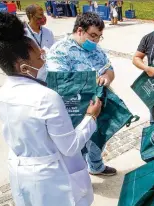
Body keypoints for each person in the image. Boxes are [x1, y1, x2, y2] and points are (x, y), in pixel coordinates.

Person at [0, 12, 106, 206]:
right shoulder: (45, 97)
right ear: (24, 67)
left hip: (27, 172)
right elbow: (70, 146)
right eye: (39, 55)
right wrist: (90, 117)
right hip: (56, 172)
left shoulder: (4, 92)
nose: (44, 56)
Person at [46, 12, 117, 176]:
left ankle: (96, 166)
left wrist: (106, 76)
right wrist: (91, 82)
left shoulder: (96, 49)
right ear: (79, 30)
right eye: (93, 35)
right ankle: (80, 174)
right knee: (78, 146)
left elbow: (109, 68)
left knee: (98, 140)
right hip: (75, 110)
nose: (96, 41)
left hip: (97, 105)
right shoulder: (60, 51)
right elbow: (60, 85)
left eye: (99, 37)